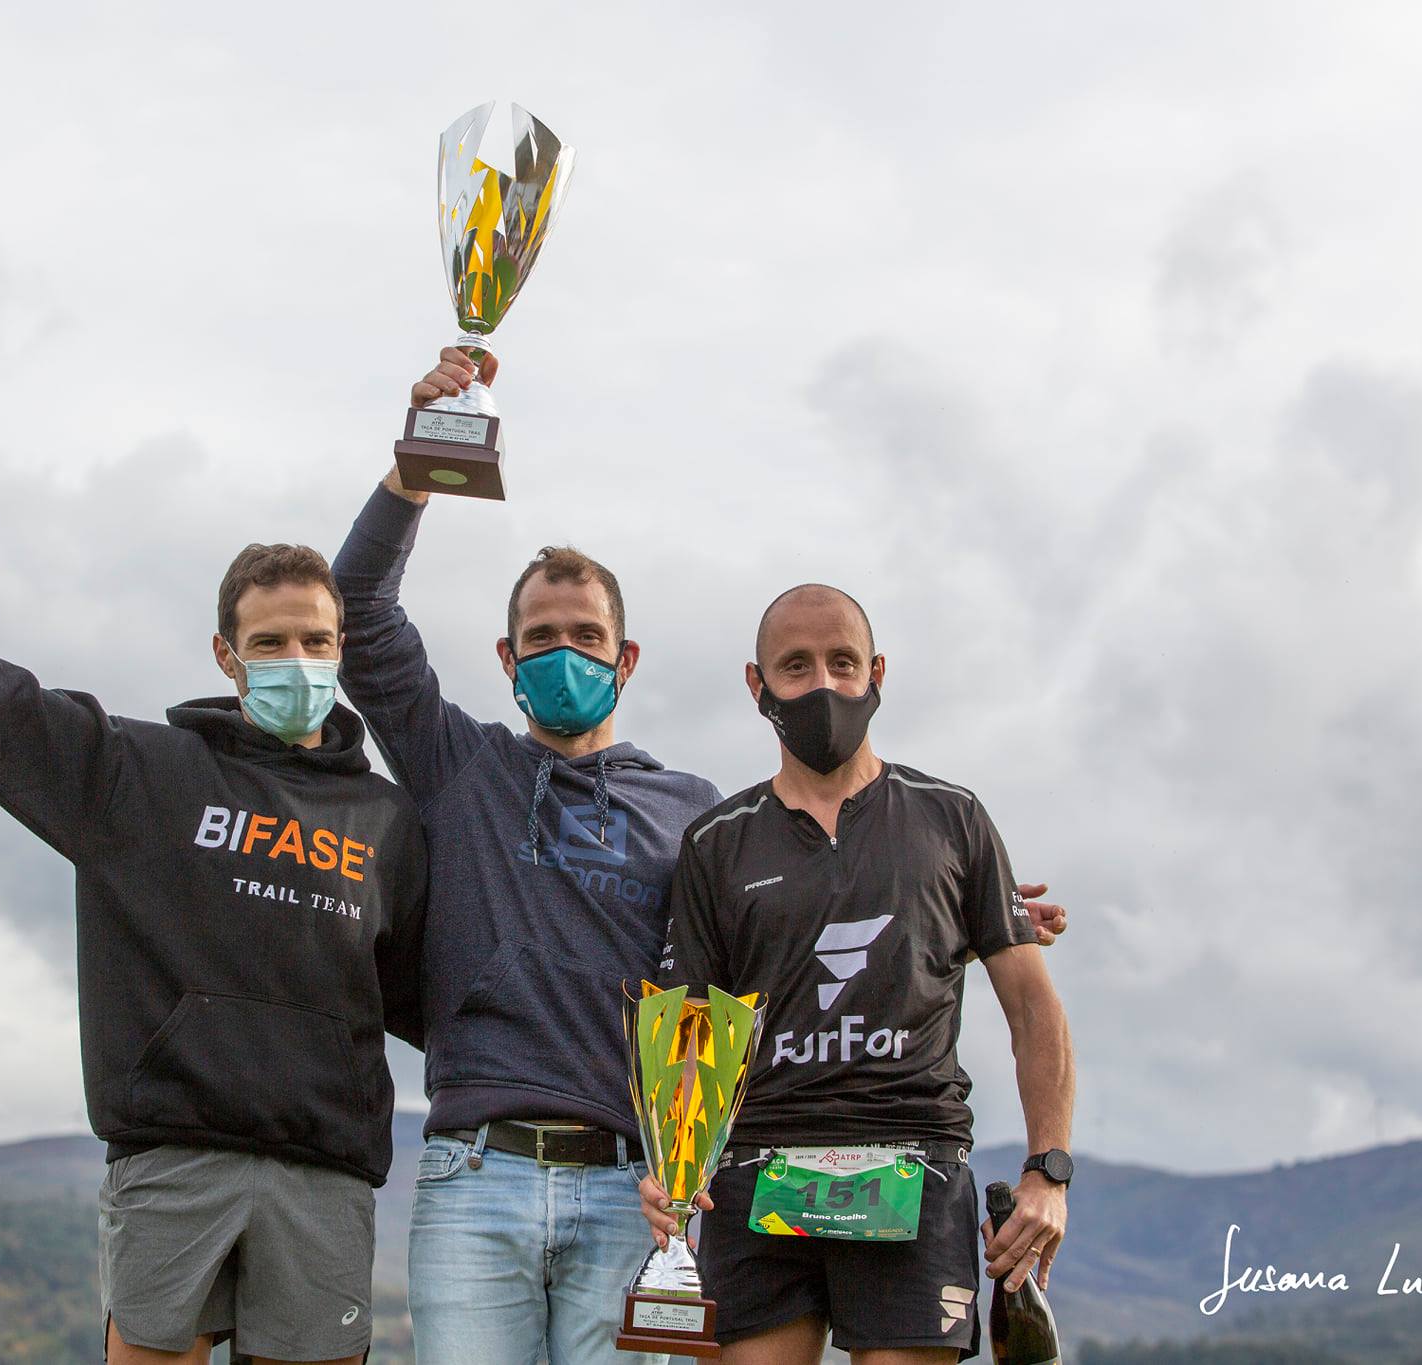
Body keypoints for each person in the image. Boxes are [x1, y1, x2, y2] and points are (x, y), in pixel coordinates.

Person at [331, 352, 1069, 1365]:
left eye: (587, 635)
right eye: (540, 637)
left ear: (626, 658)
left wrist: (968, 905)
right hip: (476, 1174)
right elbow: (359, 610)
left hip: (638, 1184)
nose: (564, 652)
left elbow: (781, 926)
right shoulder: (459, 766)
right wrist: (421, 459)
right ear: (505, 659)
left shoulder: (696, 816)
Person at [0, 496, 427, 1365]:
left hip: (325, 1176)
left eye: (314, 640)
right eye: (268, 643)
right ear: (226, 655)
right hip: (173, 1159)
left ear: (340, 648)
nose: (294, 660)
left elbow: (442, 996)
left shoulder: (390, 824)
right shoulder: (134, 774)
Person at [641, 583, 1078, 1365]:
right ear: (757, 684)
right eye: (796, 665)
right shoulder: (716, 842)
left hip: (914, 1167)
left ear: (876, 672)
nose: (823, 684)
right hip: (760, 1172)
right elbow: (688, 1033)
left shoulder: (954, 818)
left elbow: (1033, 1010)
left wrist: (1049, 1170)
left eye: (842, 662)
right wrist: (672, 1170)